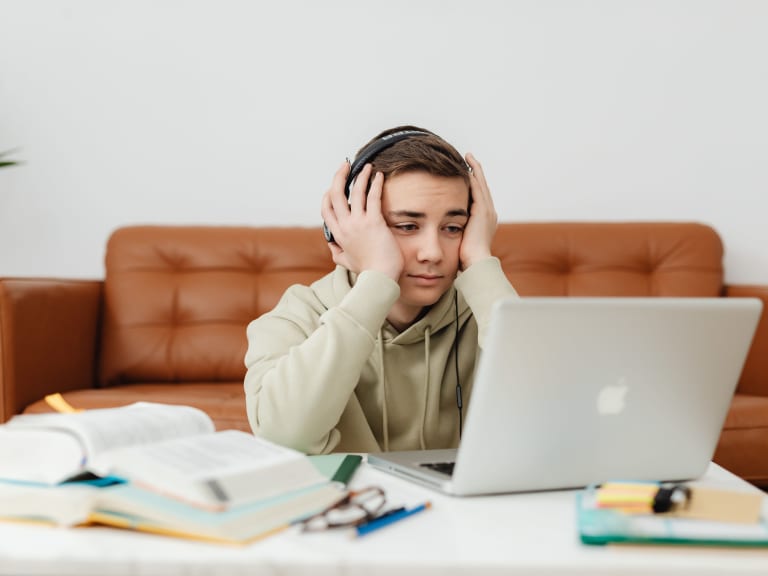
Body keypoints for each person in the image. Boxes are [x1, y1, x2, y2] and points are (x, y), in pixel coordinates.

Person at [244, 126, 518, 454]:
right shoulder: (297, 316)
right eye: (406, 226)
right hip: (356, 504)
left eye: (452, 228)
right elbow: (285, 438)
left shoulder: (486, 310)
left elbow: (553, 420)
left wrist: (480, 261)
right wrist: (378, 279)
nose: (432, 252)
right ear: (344, 229)